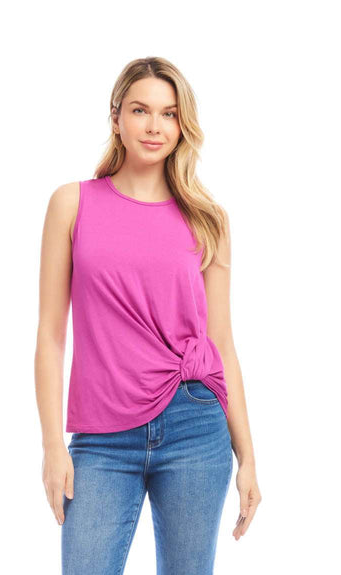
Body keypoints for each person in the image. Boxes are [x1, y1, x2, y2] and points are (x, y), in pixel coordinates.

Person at [35, 56, 262, 575]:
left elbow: (222, 342)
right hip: (101, 438)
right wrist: (51, 446)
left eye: (169, 113)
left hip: (194, 425)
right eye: (140, 110)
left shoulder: (208, 219)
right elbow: (50, 336)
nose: (155, 126)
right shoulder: (72, 204)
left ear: (182, 126)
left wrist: (248, 455)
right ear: (116, 117)